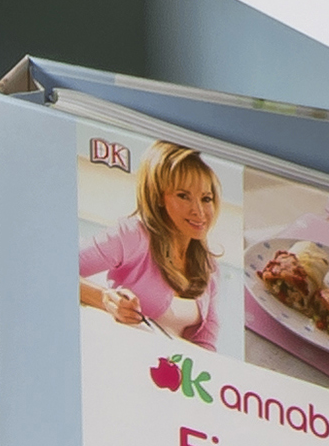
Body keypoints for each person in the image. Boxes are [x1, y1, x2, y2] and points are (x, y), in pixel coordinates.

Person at [77, 144, 221, 339]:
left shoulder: (209, 267)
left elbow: (206, 337)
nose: (199, 211)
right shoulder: (133, 235)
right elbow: (58, 269)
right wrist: (104, 298)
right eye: (183, 196)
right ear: (158, 196)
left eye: (206, 198)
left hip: (172, 366)